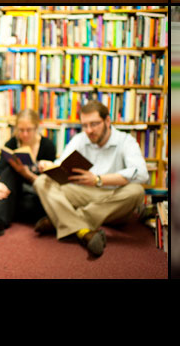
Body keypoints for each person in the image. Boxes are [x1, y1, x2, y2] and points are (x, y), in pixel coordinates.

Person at [32, 100, 148, 257]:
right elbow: (61, 165)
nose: (89, 130)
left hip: (112, 198)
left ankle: (61, 221)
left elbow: (141, 173)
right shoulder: (80, 139)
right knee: (42, 181)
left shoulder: (125, 140)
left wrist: (99, 179)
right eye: (84, 125)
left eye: (94, 124)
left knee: (136, 191)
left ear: (107, 121)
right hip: (83, 193)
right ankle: (83, 231)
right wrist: (49, 166)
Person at [0, 109, 56, 242]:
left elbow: (49, 185)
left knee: (24, 205)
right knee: (9, 171)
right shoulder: (12, 143)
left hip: (37, 196)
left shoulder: (47, 146)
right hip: (15, 191)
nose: (24, 134)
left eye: (29, 130)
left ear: (37, 127)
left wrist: (26, 173)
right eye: (21, 130)